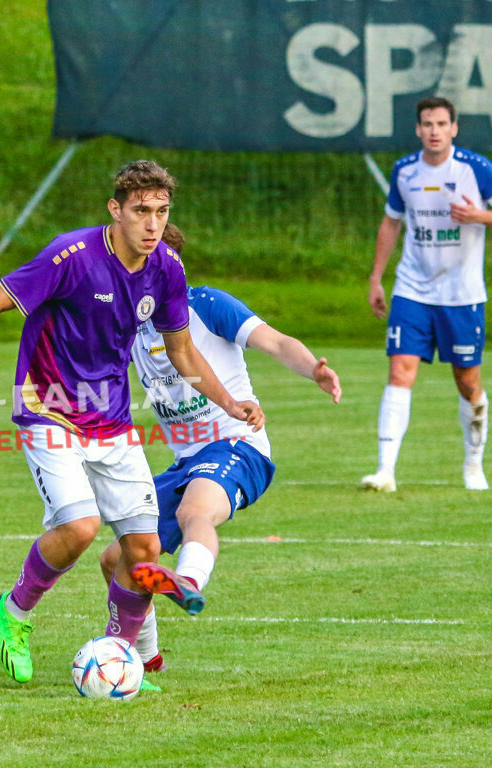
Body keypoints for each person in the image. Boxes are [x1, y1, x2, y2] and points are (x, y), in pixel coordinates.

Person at [0, 161, 265, 684]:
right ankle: (17, 609)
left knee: (142, 551)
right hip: (48, 406)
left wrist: (230, 403)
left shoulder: (166, 266)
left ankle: (120, 657)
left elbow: (182, 349)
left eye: (162, 213)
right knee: (79, 528)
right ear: (115, 210)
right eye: (141, 211)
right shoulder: (70, 255)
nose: (153, 224)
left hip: (112, 420)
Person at [98, 223, 341, 682]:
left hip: (238, 444)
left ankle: (187, 581)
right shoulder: (126, 325)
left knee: (196, 511)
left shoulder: (206, 305)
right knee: (117, 559)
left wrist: (314, 369)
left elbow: (275, 341)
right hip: (185, 460)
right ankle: (144, 660)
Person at [363, 96, 492, 492]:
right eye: (427, 124)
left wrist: (478, 216)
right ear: (418, 130)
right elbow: (391, 223)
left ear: (454, 128)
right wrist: (376, 277)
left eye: (441, 124)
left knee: (468, 383)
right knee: (400, 370)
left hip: (463, 294)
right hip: (412, 289)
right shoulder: (405, 170)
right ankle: (385, 470)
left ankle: (473, 465)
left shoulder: (476, 169)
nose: (434, 131)